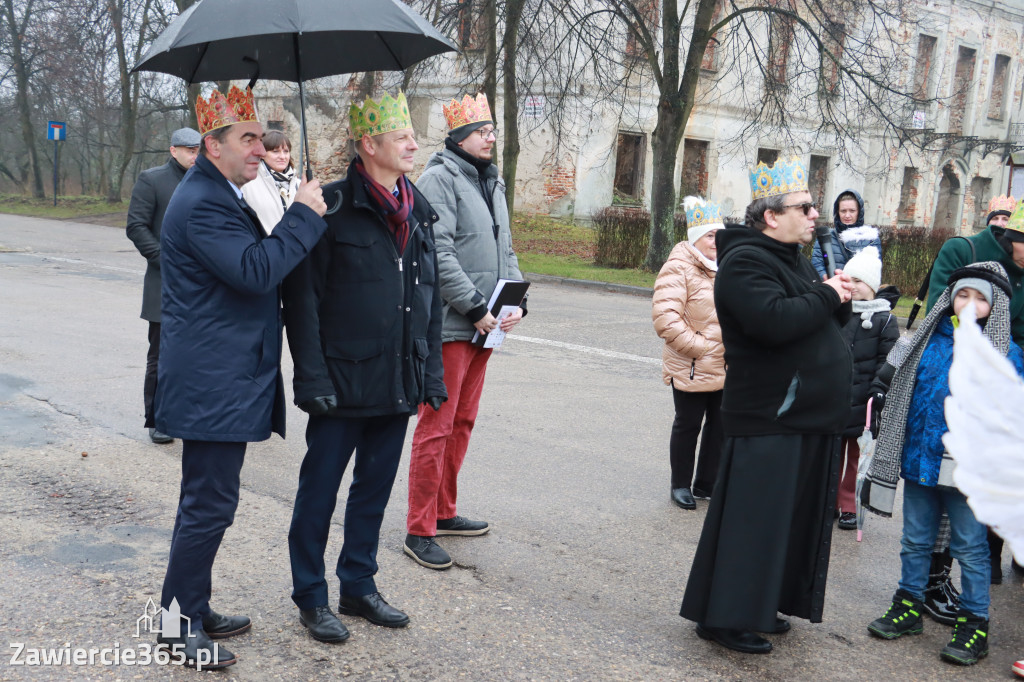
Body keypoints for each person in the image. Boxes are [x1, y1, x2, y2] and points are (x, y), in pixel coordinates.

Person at [154, 85, 328, 669]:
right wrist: (304, 215)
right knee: (208, 504)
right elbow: (256, 272)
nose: (258, 149)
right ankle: (178, 626)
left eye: (260, 138)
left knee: (207, 502)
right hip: (212, 379)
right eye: (248, 138)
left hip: (221, 374)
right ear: (213, 143)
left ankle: (191, 607)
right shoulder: (202, 201)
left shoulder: (219, 190)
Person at [282, 91, 446, 642]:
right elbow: (301, 302)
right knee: (319, 493)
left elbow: (428, 300)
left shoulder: (418, 212)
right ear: (368, 145)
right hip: (341, 382)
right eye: (401, 137)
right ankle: (311, 594)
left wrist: (430, 375)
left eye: (411, 136)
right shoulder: (328, 206)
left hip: (397, 380)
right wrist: (311, 378)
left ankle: (358, 585)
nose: (413, 144)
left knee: (373, 490)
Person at [679, 156, 854, 655]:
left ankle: (758, 604)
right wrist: (826, 296)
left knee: (785, 521)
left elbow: (811, 323)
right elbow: (772, 322)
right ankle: (724, 617)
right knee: (753, 523)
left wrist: (835, 300)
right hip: (770, 415)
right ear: (772, 216)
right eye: (805, 206)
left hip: (802, 415)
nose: (816, 213)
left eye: (814, 205)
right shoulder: (746, 261)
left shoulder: (791, 259)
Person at [862, 261, 1023, 666]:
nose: (968, 304)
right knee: (915, 540)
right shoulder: (928, 342)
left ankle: (974, 624)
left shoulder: (1007, 355)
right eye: (962, 295)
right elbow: (902, 384)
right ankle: (909, 605)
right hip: (919, 460)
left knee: (970, 548)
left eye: (980, 298)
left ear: (997, 306)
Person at [403, 93, 525, 570]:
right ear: (458, 138)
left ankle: (445, 511)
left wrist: (515, 302)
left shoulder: (490, 180)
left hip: (486, 325)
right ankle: (419, 526)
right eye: (481, 132)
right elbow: (439, 252)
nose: (490, 137)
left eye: (492, 130)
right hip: (453, 325)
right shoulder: (439, 178)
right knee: (437, 424)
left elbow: (505, 247)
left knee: (464, 421)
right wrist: (475, 307)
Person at [922, 194, 1024, 611]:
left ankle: (983, 566)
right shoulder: (965, 250)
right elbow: (941, 315)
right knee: (947, 489)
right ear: (1015, 234)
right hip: (957, 383)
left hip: (1006, 389)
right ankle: (930, 583)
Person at [125, 127, 200, 444]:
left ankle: (193, 416)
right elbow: (136, 226)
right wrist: (163, 259)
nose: (195, 156)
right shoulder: (152, 179)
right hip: (164, 284)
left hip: (203, 287)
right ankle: (158, 419)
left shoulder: (210, 181)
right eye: (189, 150)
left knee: (198, 356)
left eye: (199, 150)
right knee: (161, 356)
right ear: (174, 150)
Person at [652, 195, 725, 511]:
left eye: (718, 235)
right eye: (710, 235)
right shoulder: (678, 267)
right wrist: (701, 349)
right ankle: (680, 484)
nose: (716, 241)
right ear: (696, 237)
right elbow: (665, 318)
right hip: (692, 363)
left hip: (725, 365)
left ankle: (706, 484)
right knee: (688, 424)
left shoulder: (724, 269)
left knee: (719, 425)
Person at [831, 246, 898, 530]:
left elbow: (888, 359)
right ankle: (828, 500)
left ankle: (849, 504)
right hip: (835, 397)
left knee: (857, 456)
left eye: (859, 281)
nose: (854, 286)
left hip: (866, 402)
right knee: (831, 454)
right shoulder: (838, 313)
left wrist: (879, 389)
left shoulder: (885, 320)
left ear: (871, 285)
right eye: (850, 280)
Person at [927, 195, 1024, 344]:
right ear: (1013, 239)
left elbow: (1020, 333)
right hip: (947, 354)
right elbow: (938, 314)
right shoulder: (959, 250)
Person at [811, 189, 883, 280]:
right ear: (837, 212)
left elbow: (874, 271)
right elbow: (817, 265)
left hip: (858, 292)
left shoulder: (871, 239)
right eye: (843, 211)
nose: (847, 215)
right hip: (832, 290)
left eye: (852, 211)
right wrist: (829, 282)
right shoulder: (826, 237)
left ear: (859, 212)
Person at [242, 129, 300, 234]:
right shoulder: (247, 185)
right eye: (275, 151)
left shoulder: (299, 185)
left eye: (286, 151)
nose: (282, 157)